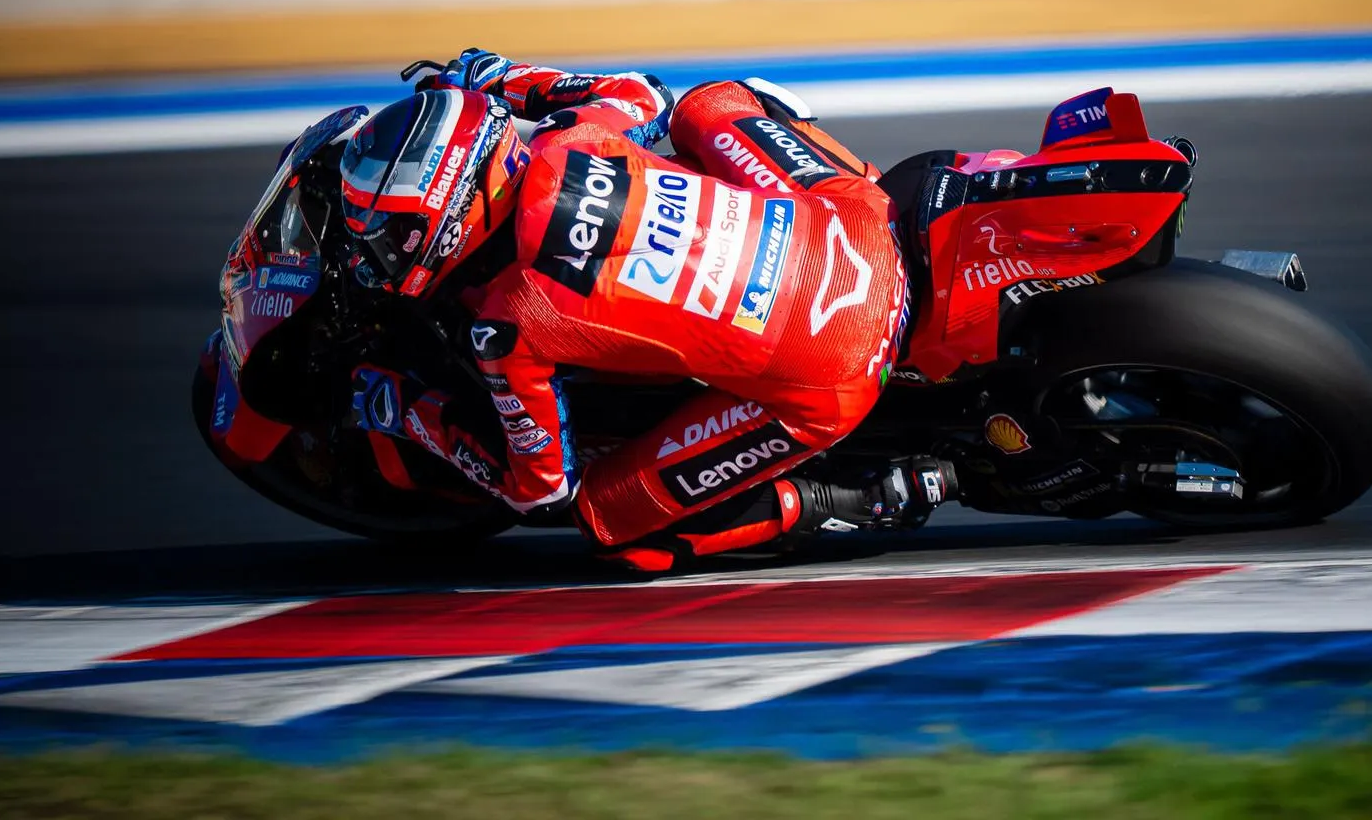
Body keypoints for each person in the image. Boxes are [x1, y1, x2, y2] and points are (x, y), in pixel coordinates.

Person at [336, 49, 954, 571]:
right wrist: (496, 76)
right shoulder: (571, 134)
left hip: (836, 368)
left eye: (391, 233)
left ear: (451, 221)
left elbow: (539, 493)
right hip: (860, 223)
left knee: (610, 523)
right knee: (708, 104)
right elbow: (642, 94)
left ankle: (844, 497)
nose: (376, 249)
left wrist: (407, 411)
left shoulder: (509, 321)